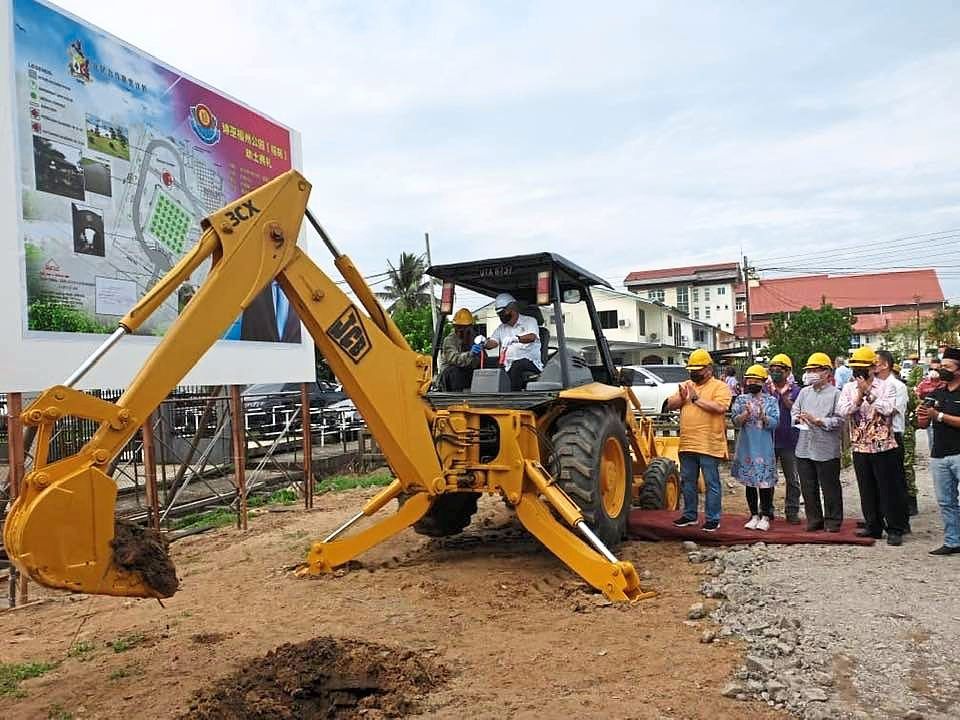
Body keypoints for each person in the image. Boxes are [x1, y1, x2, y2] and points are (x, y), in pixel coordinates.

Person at [836, 346, 909, 546]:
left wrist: (869, 392)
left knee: (888, 488)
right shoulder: (848, 388)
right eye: (854, 368)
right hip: (860, 445)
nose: (857, 372)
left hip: (884, 445)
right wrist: (859, 396)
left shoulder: (888, 386)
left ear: (872, 368)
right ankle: (873, 525)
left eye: (862, 367)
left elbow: (889, 409)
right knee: (866, 488)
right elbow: (843, 411)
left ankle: (895, 528)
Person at [666, 348, 733, 532]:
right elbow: (670, 405)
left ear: (709, 369)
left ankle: (713, 518)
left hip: (709, 443)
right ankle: (689, 515)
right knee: (688, 481)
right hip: (688, 442)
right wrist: (681, 397)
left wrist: (695, 399)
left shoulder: (720, 387)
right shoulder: (686, 384)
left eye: (698, 369)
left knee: (711, 482)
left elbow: (719, 408)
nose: (694, 373)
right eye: (692, 369)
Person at [793, 352, 844, 532]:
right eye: (809, 370)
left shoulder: (836, 394)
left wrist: (819, 421)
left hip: (826, 447)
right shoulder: (804, 392)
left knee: (829, 486)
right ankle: (814, 519)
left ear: (827, 372)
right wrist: (798, 419)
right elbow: (794, 411)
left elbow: (840, 420)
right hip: (804, 446)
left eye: (815, 370)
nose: (811, 373)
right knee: (808, 486)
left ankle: (833, 521)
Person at [917, 347, 960, 555]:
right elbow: (923, 423)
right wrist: (923, 415)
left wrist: (939, 416)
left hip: (959, 453)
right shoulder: (937, 393)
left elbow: (940, 417)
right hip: (939, 454)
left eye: (947, 367)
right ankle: (953, 541)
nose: (942, 370)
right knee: (946, 501)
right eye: (941, 366)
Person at [731, 365, 780, 531]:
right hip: (746, 446)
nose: (752, 383)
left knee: (765, 482)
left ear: (763, 382)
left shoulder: (771, 401)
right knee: (749, 482)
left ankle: (766, 515)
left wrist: (763, 416)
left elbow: (775, 423)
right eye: (749, 380)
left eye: (756, 380)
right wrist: (744, 415)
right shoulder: (740, 400)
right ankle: (753, 515)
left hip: (764, 446)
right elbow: (735, 421)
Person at [876, 350, 918, 517]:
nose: (872, 367)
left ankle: (901, 520)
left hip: (893, 437)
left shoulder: (898, 386)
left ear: (885, 365)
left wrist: (870, 397)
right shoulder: (874, 385)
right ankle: (881, 516)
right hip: (875, 438)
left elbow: (891, 410)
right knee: (879, 481)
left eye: (875, 363)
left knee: (896, 481)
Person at [765, 353, 802, 524]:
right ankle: (767, 510)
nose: (774, 373)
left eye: (778, 370)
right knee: (767, 477)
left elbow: (798, 411)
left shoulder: (796, 390)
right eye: (772, 370)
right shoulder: (765, 390)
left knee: (792, 478)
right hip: (769, 440)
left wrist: (785, 399)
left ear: (787, 372)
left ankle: (792, 511)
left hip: (790, 440)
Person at [484, 293, 543, 391]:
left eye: (503, 313)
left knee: (517, 365)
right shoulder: (501, 328)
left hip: (531, 363)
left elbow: (532, 337)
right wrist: (484, 342)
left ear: (513, 308)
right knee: (490, 366)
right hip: (508, 364)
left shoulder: (530, 321)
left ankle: (513, 395)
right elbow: (493, 343)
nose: (501, 316)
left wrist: (516, 339)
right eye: (499, 314)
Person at [437, 308, 484, 391]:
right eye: (457, 327)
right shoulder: (449, 340)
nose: (459, 330)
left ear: (469, 327)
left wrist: (483, 347)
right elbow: (455, 359)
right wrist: (471, 353)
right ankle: (457, 399)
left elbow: (479, 360)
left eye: (462, 328)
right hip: (449, 376)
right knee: (455, 371)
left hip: (467, 372)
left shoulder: (473, 338)